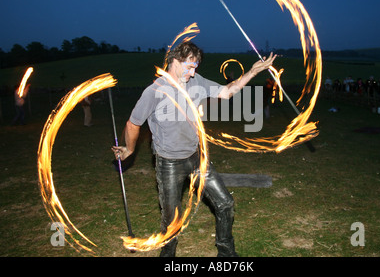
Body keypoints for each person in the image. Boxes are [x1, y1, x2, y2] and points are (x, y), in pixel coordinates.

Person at [112, 42, 276, 257]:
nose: (193, 72)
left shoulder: (197, 81)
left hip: (197, 158)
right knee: (172, 220)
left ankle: (226, 254)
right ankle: (168, 256)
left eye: (195, 67)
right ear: (174, 61)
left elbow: (228, 91)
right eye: (189, 66)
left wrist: (253, 71)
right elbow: (133, 124)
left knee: (225, 203)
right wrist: (130, 149)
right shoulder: (154, 91)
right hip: (169, 163)